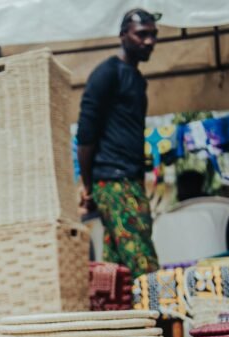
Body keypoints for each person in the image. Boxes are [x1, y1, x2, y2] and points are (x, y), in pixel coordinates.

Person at [77, 9, 160, 280]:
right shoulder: (107, 73)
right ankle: (162, 320)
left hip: (130, 179)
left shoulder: (136, 79)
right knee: (142, 262)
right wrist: (87, 186)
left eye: (153, 35)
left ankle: (116, 319)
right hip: (112, 182)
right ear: (123, 35)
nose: (149, 41)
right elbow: (86, 135)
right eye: (141, 34)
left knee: (117, 271)